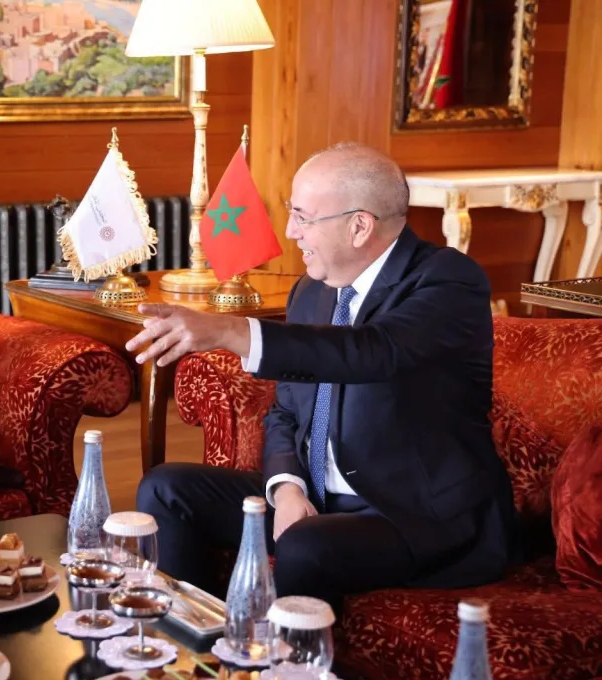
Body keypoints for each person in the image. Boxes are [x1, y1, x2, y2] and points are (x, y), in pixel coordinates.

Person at [130, 141, 518, 612]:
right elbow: (285, 412)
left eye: (303, 217)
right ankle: (193, 641)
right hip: (316, 499)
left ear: (359, 226)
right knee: (166, 489)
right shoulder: (311, 291)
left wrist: (230, 331)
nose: (290, 231)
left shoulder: (448, 281)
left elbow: (374, 351)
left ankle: (278, 656)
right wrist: (287, 488)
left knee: (306, 546)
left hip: (412, 513)